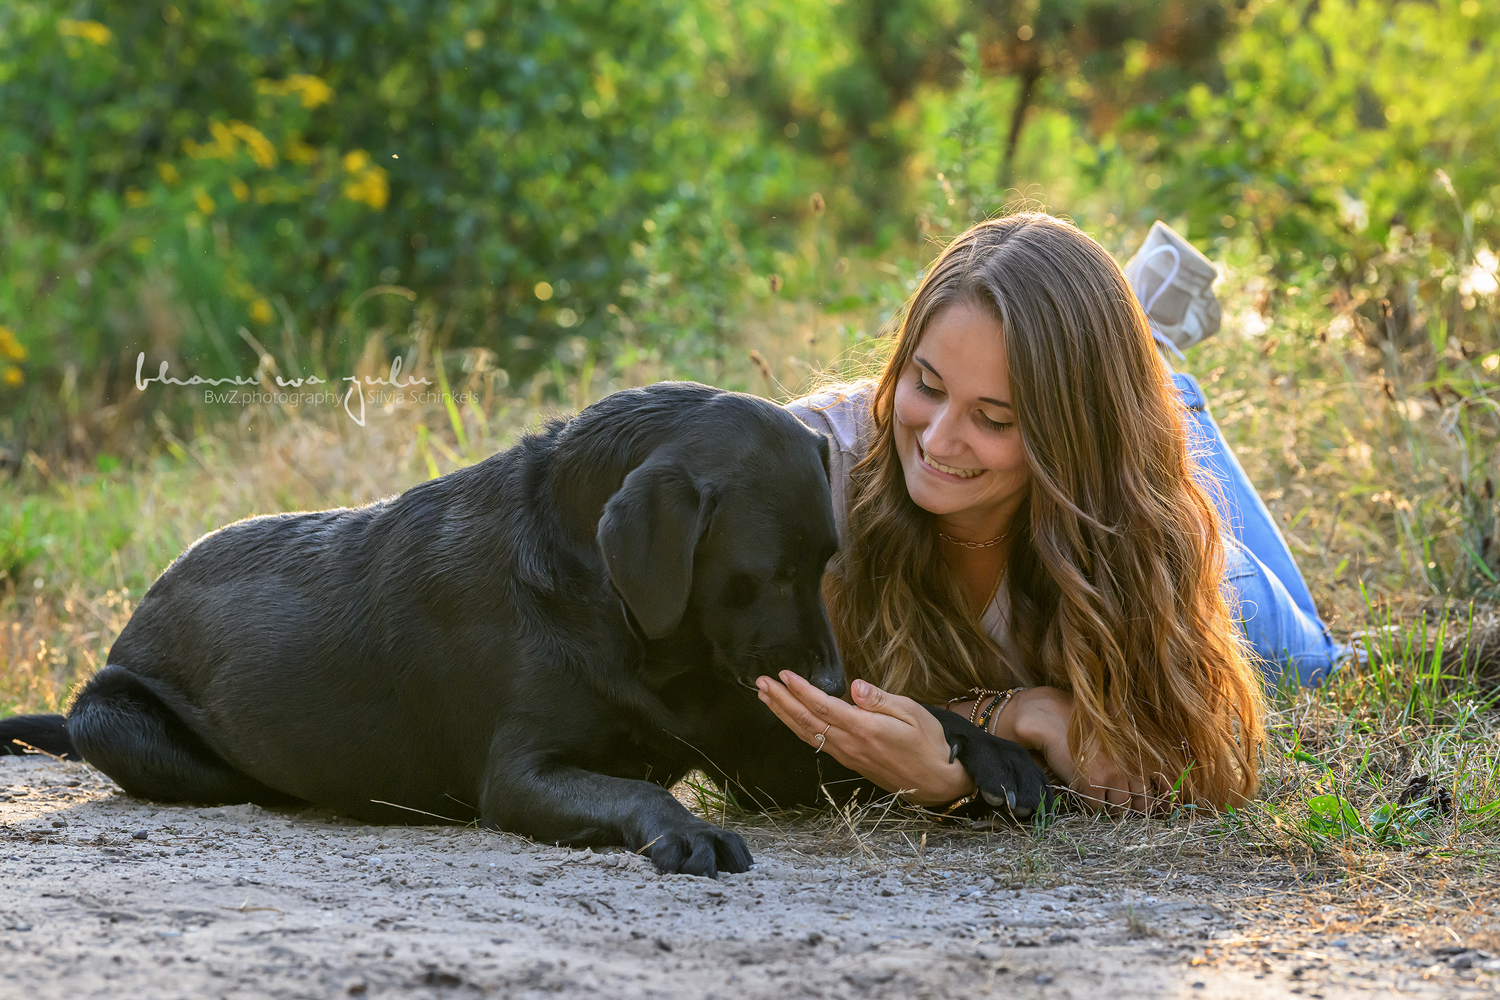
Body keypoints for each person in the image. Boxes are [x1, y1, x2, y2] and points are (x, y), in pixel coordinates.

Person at [758, 213, 1348, 815]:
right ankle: (1145, 342)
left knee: (1313, 664)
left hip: (1209, 560)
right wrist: (1005, 723)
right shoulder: (811, 461)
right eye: (927, 386)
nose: (936, 441)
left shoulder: (1129, 528)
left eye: (994, 419)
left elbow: (1188, 776)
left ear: (1073, 440)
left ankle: (1155, 367)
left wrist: (970, 743)